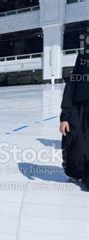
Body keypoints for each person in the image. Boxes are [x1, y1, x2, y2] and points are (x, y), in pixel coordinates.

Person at [59, 32, 89, 189]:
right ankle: (77, 172)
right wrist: (65, 117)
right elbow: (71, 88)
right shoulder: (82, 63)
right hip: (81, 111)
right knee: (77, 147)